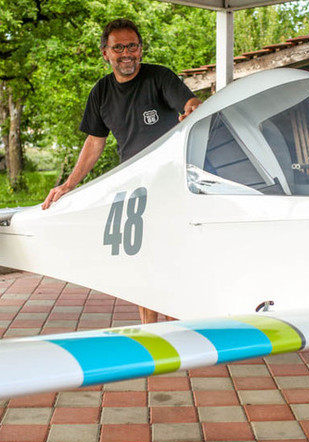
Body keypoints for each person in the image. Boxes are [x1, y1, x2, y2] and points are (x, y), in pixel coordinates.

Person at [42, 18, 201, 324]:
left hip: (171, 182)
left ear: (141, 49)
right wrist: (69, 185)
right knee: (142, 261)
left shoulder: (159, 78)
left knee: (172, 255)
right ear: (105, 53)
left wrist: (194, 108)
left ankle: (177, 327)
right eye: (119, 48)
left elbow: (190, 101)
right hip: (134, 187)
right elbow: (94, 142)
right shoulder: (101, 92)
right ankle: (151, 331)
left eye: (133, 46)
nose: (127, 53)